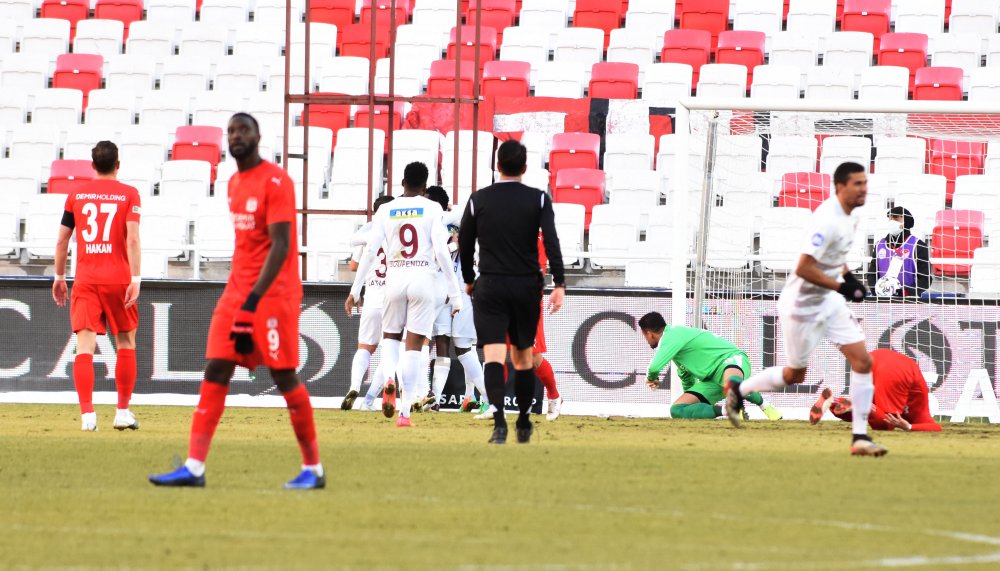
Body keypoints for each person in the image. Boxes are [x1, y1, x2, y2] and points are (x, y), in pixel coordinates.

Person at [149, 113, 324, 489]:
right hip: (237, 292)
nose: (236, 136)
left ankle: (313, 468)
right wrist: (241, 300)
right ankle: (194, 467)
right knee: (215, 368)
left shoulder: (277, 181)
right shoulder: (232, 182)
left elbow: (280, 246)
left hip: (274, 293)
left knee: (283, 375)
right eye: (231, 131)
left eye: (243, 130)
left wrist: (253, 302)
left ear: (258, 136)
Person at [726, 162, 887, 457]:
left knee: (863, 362)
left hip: (829, 302)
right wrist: (842, 287)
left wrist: (850, 279)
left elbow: (836, 258)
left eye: (865, 183)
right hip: (801, 306)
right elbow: (804, 267)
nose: (864, 188)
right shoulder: (827, 220)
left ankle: (860, 437)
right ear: (840, 187)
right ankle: (739, 390)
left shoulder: (852, 217)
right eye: (857, 184)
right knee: (794, 375)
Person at [458, 139, 565, 445]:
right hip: (525, 287)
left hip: (490, 285)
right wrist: (559, 284)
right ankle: (520, 420)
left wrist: (468, 278)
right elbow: (553, 242)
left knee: (499, 356)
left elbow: (465, 242)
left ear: (497, 165)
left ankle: (502, 423)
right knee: (519, 357)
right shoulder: (539, 200)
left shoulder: (479, 199)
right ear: (526, 167)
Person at [348, 162, 461, 427]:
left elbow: (369, 250)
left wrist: (355, 289)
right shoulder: (433, 208)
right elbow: (443, 252)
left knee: (391, 338)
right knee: (414, 345)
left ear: (402, 183)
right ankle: (405, 411)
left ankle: (388, 378)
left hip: (394, 279)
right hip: (423, 279)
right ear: (425, 186)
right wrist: (454, 293)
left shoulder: (385, 209)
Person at [52, 141, 142, 432]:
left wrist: (59, 276)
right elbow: (132, 239)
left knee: (84, 347)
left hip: (86, 280)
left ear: (93, 165)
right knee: (126, 343)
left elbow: (63, 240)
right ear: (118, 164)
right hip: (118, 279)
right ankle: (122, 412)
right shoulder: (129, 194)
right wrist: (137, 278)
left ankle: (88, 416)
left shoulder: (76, 194)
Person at [638, 312, 782, 421]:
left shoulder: (672, 335)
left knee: (730, 382)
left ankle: (765, 405)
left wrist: (651, 378)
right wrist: (694, 402)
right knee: (677, 410)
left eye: (644, 335)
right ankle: (728, 411)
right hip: (712, 380)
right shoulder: (676, 348)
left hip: (730, 360)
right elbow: (686, 378)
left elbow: (654, 367)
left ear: (648, 333)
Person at [423, 185, 487, 413]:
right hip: (449, 288)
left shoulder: (443, 219)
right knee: (449, 343)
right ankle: (437, 400)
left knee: (461, 345)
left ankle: (480, 397)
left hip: (459, 288)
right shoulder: (449, 220)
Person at [342, 195, 395, 411]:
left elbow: (354, 265)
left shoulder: (368, 231)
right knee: (391, 349)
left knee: (365, 347)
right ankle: (369, 399)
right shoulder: (398, 229)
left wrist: (356, 291)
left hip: (372, 294)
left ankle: (354, 386)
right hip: (393, 295)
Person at [810, 348, 941, 432]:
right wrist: (909, 427)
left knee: (861, 414)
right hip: (896, 370)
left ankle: (833, 401)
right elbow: (936, 428)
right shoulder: (920, 412)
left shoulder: (913, 400)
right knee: (886, 424)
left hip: (873, 358)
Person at [866, 206, 931, 298]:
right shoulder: (879, 244)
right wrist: (875, 290)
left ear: (906, 221)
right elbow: (872, 273)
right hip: (881, 299)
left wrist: (905, 292)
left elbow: (926, 279)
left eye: (896, 217)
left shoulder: (918, 245)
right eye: (890, 218)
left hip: (909, 300)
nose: (892, 220)